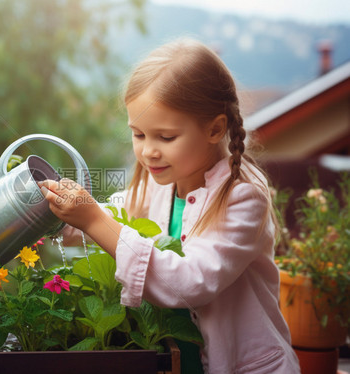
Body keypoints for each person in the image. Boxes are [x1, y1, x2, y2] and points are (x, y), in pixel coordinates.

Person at [38, 38, 300, 374]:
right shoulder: (160, 181)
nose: (148, 151)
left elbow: (191, 282)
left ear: (215, 129)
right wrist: (61, 218)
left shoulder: (243, 196)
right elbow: (115, 215)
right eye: (139, 134)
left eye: (165, 137)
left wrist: (90, 219)